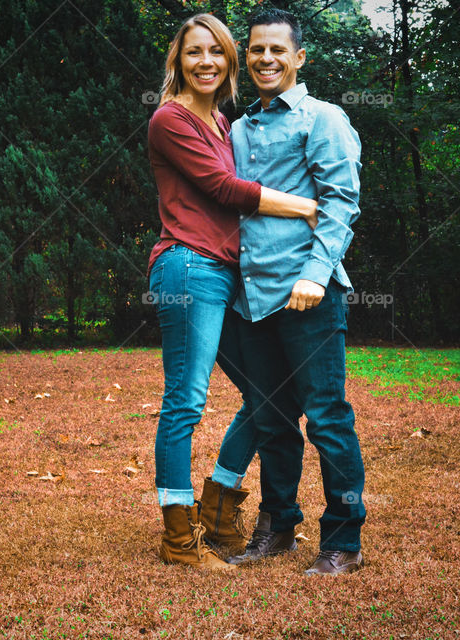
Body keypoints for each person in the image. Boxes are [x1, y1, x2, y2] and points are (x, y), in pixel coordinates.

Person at [146, 13, 320, 571]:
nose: (206, 62)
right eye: (194, 52)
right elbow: (225, 189)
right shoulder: (169, 119)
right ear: (178, 61)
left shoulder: (224, 122)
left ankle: (219, 506)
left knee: (271, 394)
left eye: (216, 52)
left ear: (229, 62)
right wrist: (306, 206)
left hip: (229, 274)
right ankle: (178, 539)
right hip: (188, 269)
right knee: (186, 400)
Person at [206, 8, 367, 576]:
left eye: (278, 50)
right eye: (255, 50)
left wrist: (315, 275)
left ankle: (344, 540)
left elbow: (341, 201)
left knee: (326, 419)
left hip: (307, 296)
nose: (265, 59)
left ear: (300, 58)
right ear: (245, 58)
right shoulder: (239, 127)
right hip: (250, 299)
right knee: (271, 419)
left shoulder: (323, 119)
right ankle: (277, 527)